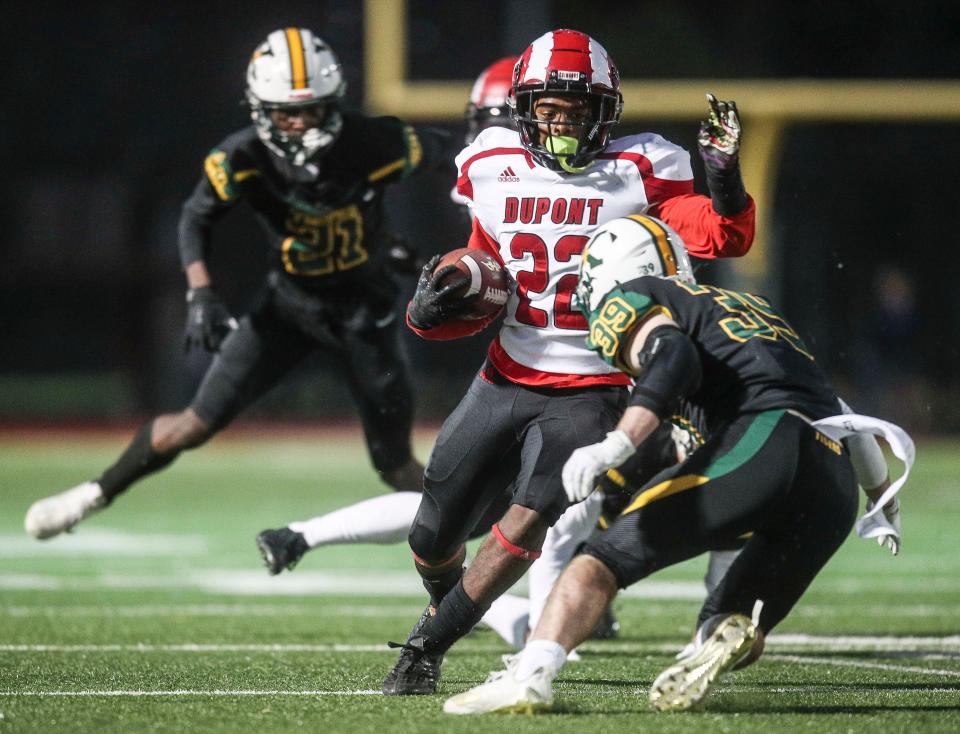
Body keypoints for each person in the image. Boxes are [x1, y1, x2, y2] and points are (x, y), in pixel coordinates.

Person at [381, 28, 757, 696]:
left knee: (526, 519)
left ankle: (425, 646)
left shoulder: (646, 165)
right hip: (507, 372)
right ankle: (462, 605)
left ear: (604, 112)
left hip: (598, 385)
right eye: (548, 108)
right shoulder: (490, 159)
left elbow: (723, 234)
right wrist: (436, 305)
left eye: (576, 109)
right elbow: (486, 272)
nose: (560, 121)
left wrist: (723, 178)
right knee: (431, 536)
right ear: (525, 107)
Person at [442, 215, 911, 715]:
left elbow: (673, 356)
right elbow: (842, 411)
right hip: (833, 478)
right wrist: (882, 499)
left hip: (765, 438)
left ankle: (531, 676)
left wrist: (617, 444)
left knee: (596, 564)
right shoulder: (753, 307)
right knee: (731, 621)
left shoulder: (638, 296)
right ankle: (719, 633)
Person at [23, 27, 455, 540]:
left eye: (311, 109)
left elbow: (459, 158)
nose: (298, 123)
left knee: (395, 466)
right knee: (195, 423)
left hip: (366, 314)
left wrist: (421, 239)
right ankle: (94, 493)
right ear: (259, 108)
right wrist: (200, 292)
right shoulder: (242, 158)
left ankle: (457, 576)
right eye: (285, 111)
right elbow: (195, 218)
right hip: (290, 308)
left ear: (332, 104)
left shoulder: (373, 142)